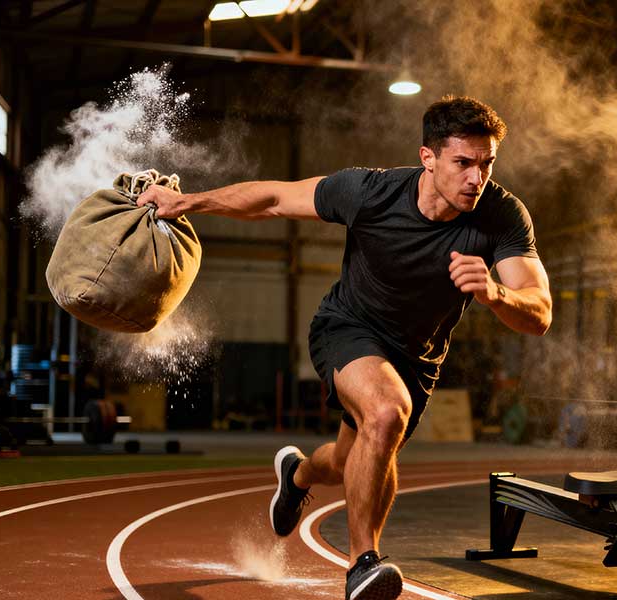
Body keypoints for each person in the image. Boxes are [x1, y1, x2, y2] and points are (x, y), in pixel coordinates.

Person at [137, 96, 552, 600]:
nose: (475, 179)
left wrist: (494, 293)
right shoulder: (370, 191)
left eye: (486, 164)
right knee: (385, 410)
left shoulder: (502, 215)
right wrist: (188, 202)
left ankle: (297, 475)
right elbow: (273, 198)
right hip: (346, 327)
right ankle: (364, 566)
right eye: (462, 163)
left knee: (347, 459)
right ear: (428, 158)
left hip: (416, 359)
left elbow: (539, 313)